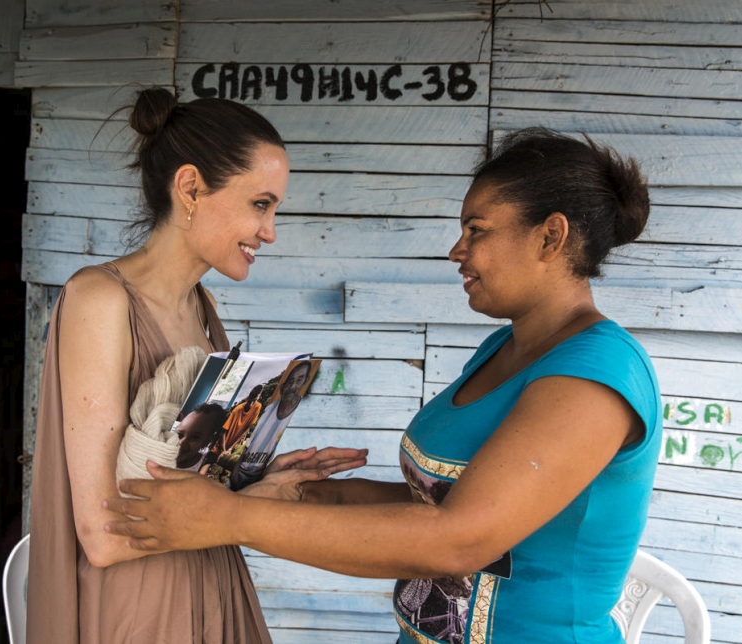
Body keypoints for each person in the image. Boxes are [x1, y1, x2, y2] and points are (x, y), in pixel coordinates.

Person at [103, 127, 663, 643]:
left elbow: (459, 538)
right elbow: (443, 499)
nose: (457, 250)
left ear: (551, 237)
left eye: (478, 230)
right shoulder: (507, 349)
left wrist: (228, 519)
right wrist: (311, 494)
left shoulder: (598, 376)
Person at [25, 85, 368, 644]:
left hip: (210, 579)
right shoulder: (100, 299)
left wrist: (270, 480)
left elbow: (192, 483)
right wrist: (249, 508)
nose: (270, 231)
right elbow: (104, 533)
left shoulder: (202, 309)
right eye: (260, 204)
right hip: (141, 604)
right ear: (190, 187)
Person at [229, 360, 314, 490]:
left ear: (306, 381)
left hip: (265, 481)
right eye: (290, 381)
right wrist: (235, 470)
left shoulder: (302, 413)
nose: (292, 387)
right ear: (282, 386)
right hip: (240, 474)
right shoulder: (268, 409)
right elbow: (247, 445)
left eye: (299, 380)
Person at [211, 383, 264, 461]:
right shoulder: (237, 410)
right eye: (250, 401)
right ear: (248, 398)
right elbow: (223, 432)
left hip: (233, 446)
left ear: (258, 398)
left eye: (255, 401)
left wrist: (230, 449)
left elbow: (246, 429)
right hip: (221, 445)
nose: (252, 404)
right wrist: (223, 450)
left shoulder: (258, 407)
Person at [174, 403, 228, 472]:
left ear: (207, 441)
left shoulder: (204, 468)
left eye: (194, 437)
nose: (181, 442)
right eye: (179, 434)